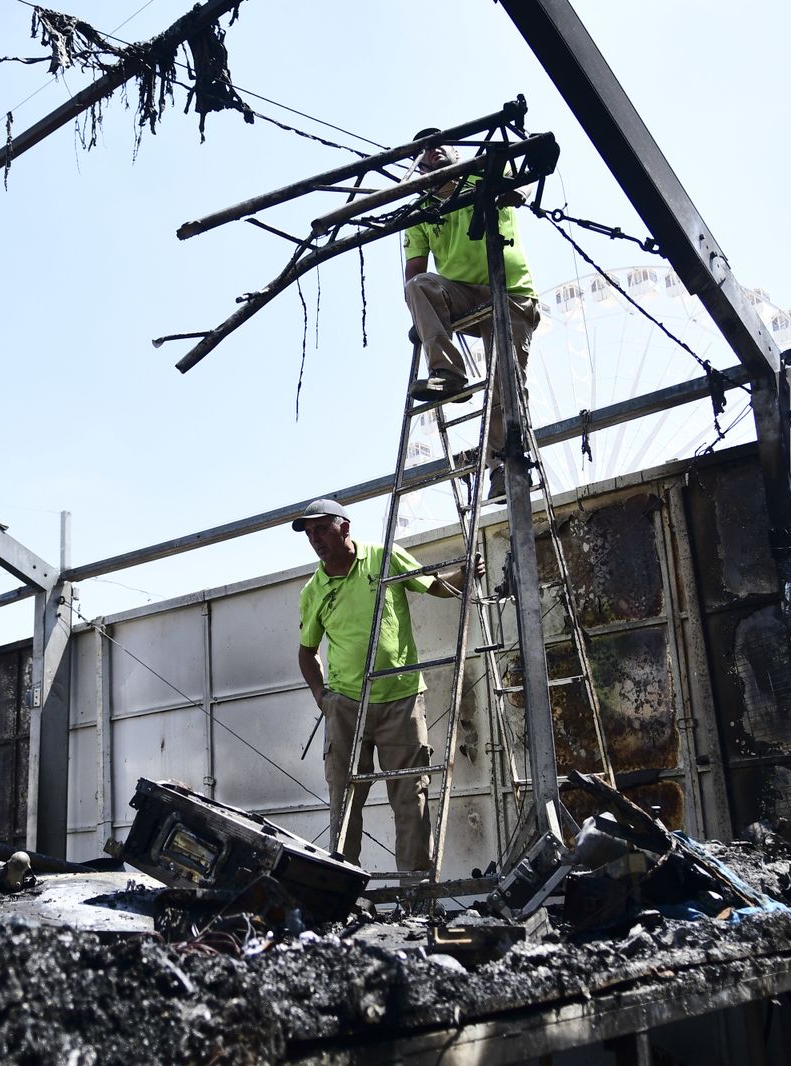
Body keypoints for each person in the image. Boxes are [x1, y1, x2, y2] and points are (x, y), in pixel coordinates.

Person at [293, 497, 478, 872]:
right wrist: (322, 696)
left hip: (403, 699)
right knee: (344, 801)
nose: (315, 539)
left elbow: (434, 585)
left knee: (412, 796)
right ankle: (342, 891)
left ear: (344, 527)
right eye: (309, 533)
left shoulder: (385, 557)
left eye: (321, 529)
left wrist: (465, 576)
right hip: (346, 706)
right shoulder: (313, 591)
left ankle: (415, 898)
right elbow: (306, 653)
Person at [402, 128, 541, 500]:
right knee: (419, 288)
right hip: (463, 294)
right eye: (422, 149)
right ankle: (448, 374)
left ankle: (502, 468)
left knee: (505, 382)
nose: (431, 151)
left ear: (456, 150)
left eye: (438, 143)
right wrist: (421, 315)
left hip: (510, 292)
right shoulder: (420, 211)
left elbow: (519, 188)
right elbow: (415, 271)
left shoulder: (485, 173)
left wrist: (503, 187)